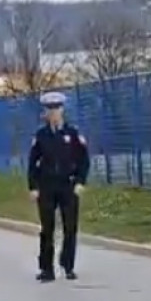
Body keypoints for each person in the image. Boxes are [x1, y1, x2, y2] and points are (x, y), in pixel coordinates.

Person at [27, 91, 90, 282]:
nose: (53, 113)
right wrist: (33, 187)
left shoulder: (72, 134)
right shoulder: (41, 136)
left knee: (70, 227)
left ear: (62, 110)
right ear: (46, 113)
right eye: (50, 110)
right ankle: (47, 269)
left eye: (56, 109)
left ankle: (68, 265)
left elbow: (84, 160)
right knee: (47, 228)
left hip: (68, 185)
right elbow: (32, 163)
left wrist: (80, 182)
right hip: (47, 186)